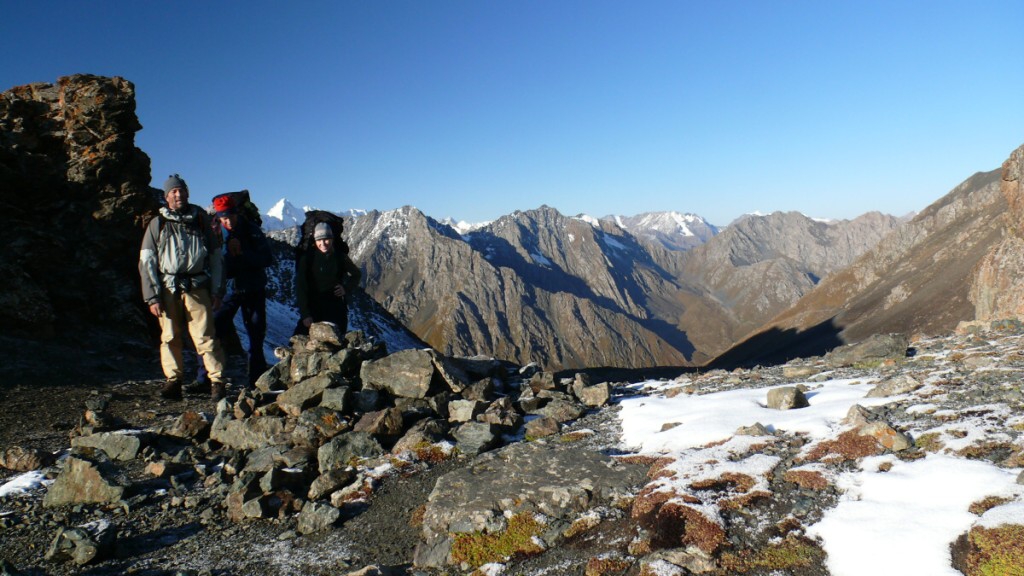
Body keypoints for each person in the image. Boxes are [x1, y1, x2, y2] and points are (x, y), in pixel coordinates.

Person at [139, 174, 229, 400]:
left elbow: (217, 257)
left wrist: (218, 290)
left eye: (181, 190)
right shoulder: (157, 223)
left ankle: (216, 380)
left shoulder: (200, 220)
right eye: (174, 191)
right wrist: (152, 296)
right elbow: (147, 261)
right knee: (169, 336)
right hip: (168, 287)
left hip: (197, 285)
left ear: (187, 192)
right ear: (167, 196)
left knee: (205, 335)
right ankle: (173, 381)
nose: (178, 194)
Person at [194, 194, 274, 389]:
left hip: (252, 288)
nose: (228, 221)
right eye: (224, 217)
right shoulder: (214, 233)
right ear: (219, 217)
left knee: (256, 334)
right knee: (212, 331)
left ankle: (255, 380)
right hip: (227, 291)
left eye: (230, 216)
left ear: (236, 213)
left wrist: (242, 255)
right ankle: (204, 378)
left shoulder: (251, 230)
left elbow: (266, 258)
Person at [294, 221, 361, 335]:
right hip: (313, 306)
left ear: (332, 239)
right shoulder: (308, 259)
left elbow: (356, 274)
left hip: (335, 307)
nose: (323, 243)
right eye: (319, 240)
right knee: (300, 342)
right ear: (315, 241)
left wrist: (346, 288)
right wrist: (305, 314)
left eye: (326, 239)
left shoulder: (340, 257)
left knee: (337, 343)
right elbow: (301, 287)